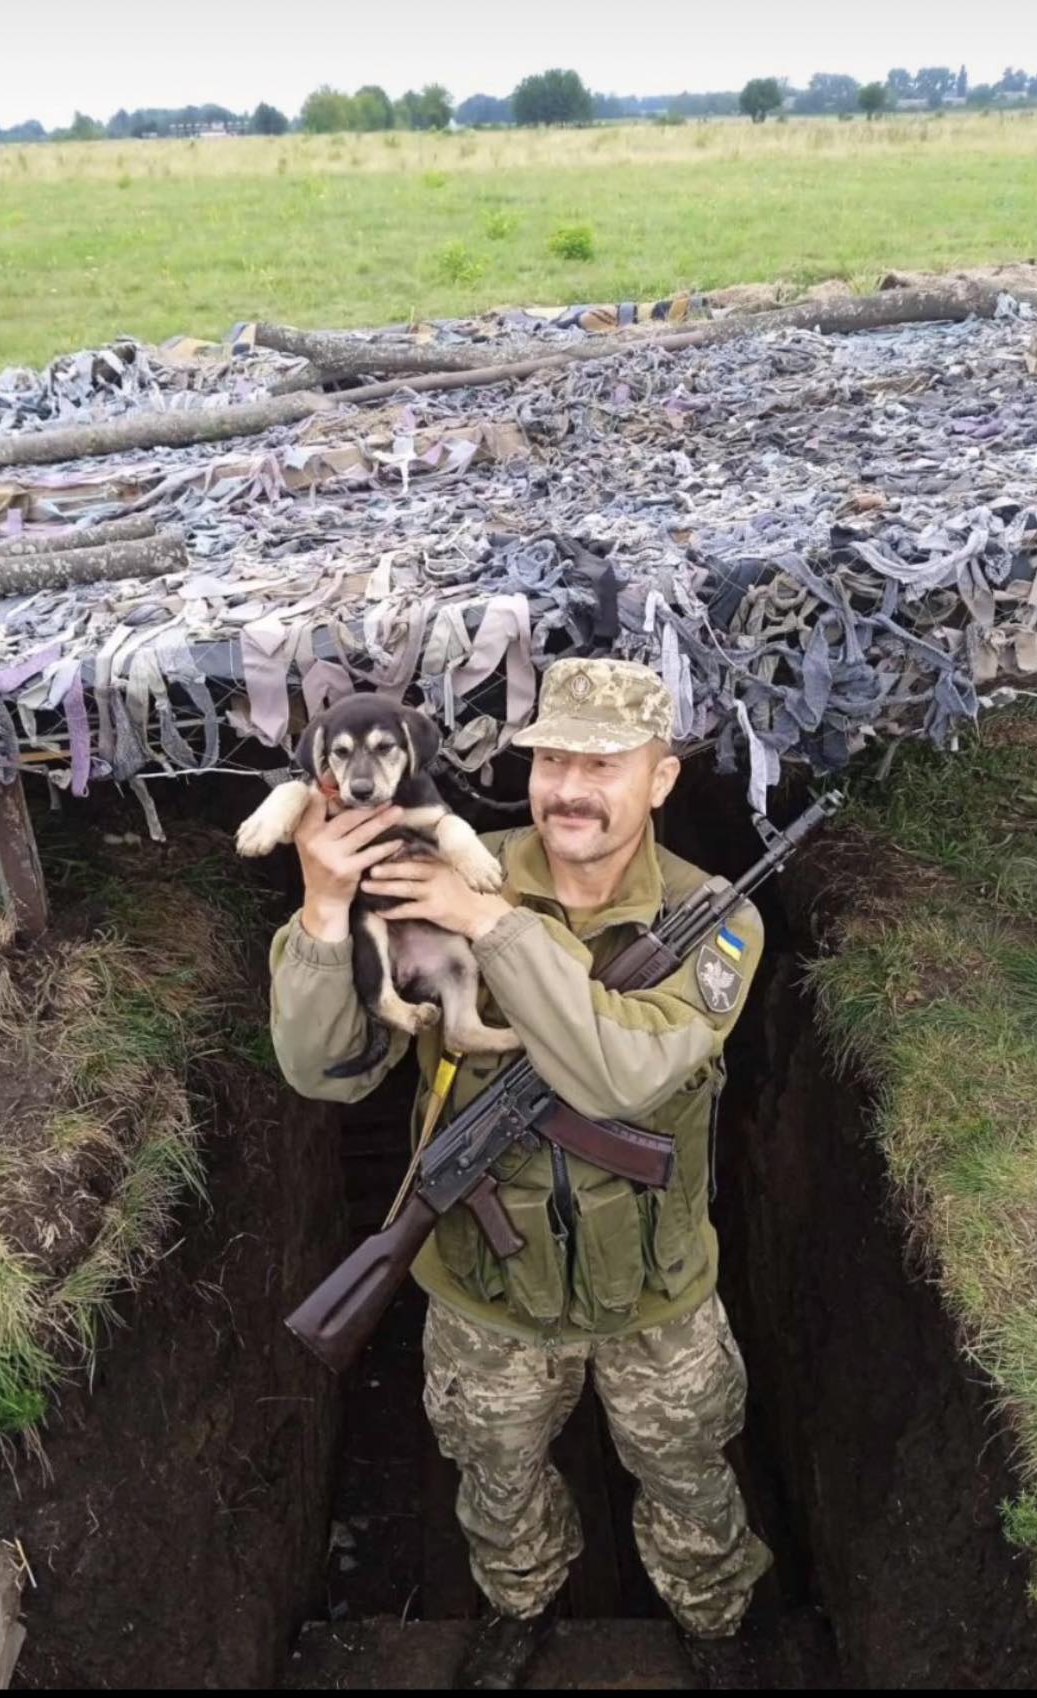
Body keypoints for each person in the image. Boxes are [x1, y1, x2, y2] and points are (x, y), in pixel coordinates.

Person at [269, 658, 770, 1689]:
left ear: (661, 779)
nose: (570, 787)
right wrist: (323, 915)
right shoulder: (441, 867)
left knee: (687, 1476)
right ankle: (519, 1607)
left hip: (656, 1293)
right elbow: (327, 1070)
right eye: (551, 761)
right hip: (484, 1292)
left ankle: (716, 1628)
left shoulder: (716, 918)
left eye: (604, 763)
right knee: (495, 1482)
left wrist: (494, 925)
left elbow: (622, 1078)